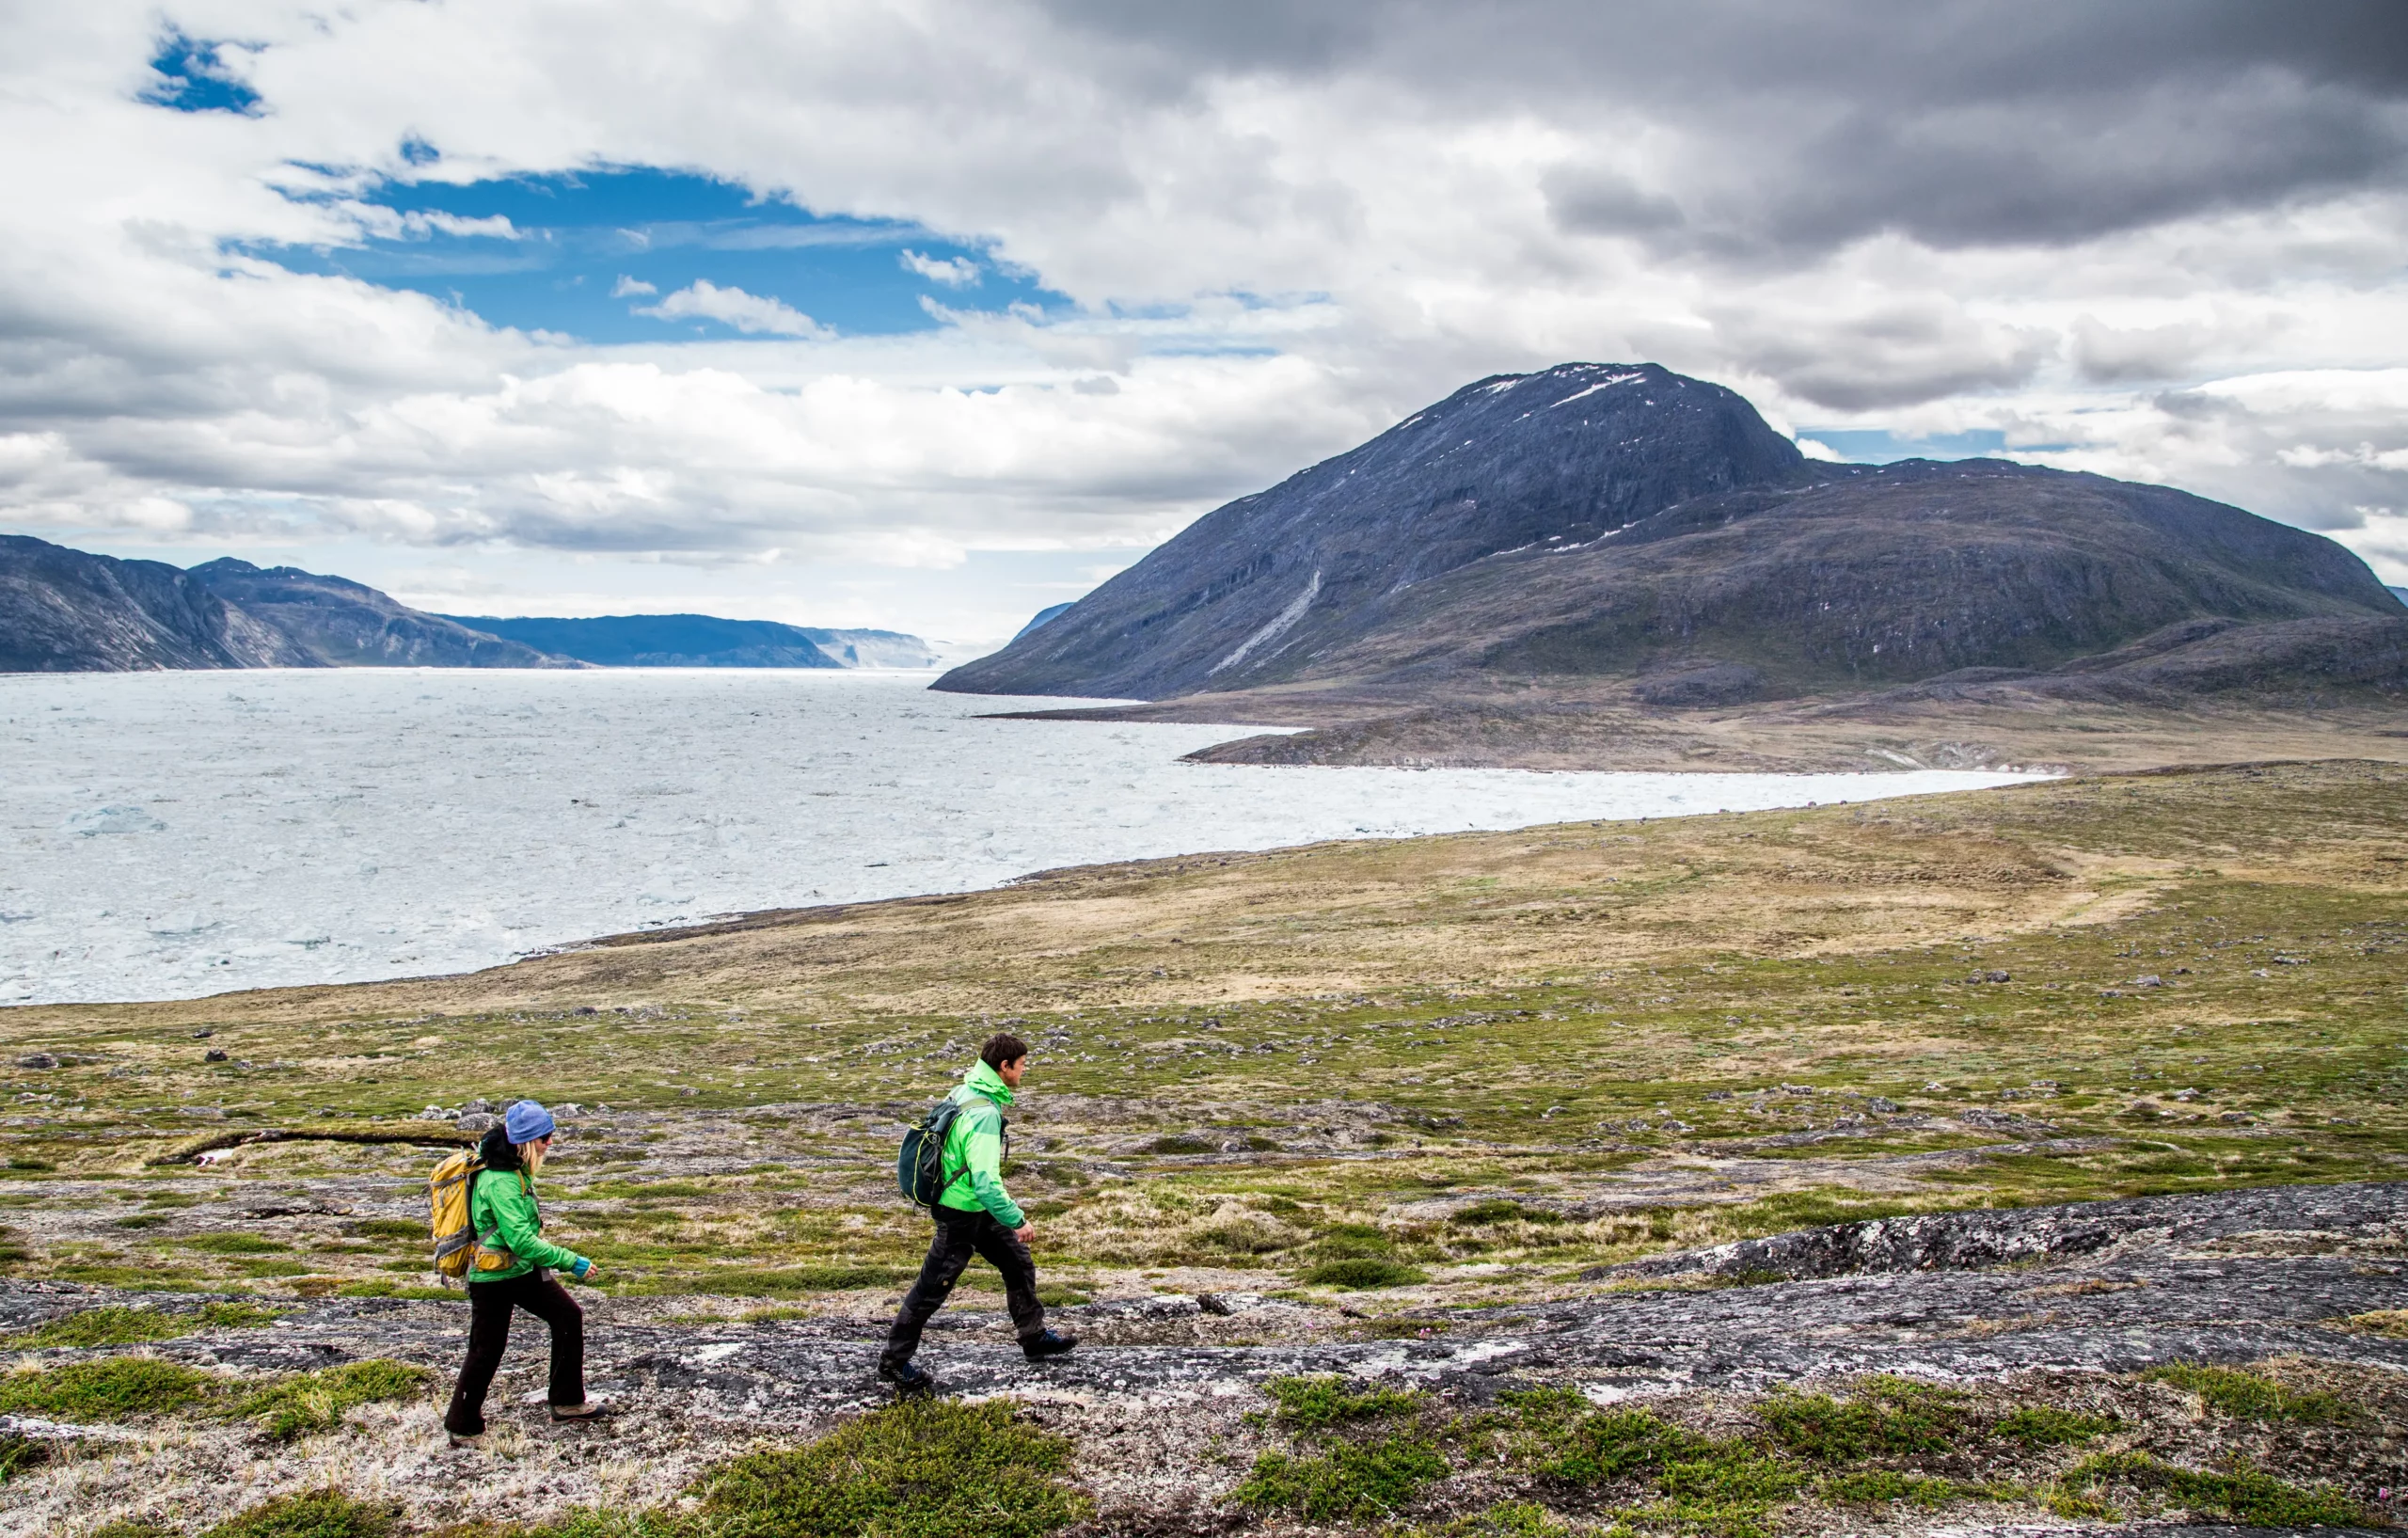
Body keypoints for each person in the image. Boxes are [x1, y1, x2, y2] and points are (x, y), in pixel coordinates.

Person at [879, 1032, 1075, 1395]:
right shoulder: (984, 1112)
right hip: (960, 1214)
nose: (1023, 1072)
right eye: (1021, 1066)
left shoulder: (967, 1089)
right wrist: (1017, 1219)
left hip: (974, 1208)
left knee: (1018, 1263)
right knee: (930, 1290)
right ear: (1004, 1067)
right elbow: (986, 1182)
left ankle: (1033, 1337)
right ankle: (893, 1363)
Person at [442, 1100, 609, 1447]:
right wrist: (571, 1261)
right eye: (545, 1137)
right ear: (525, 1141)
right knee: (486, 1349)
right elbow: (521, 1240)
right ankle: (462, 1425)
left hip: (520, 1271)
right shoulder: (501, 1180)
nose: (550, 1143)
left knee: (568, 1317)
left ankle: (566, 1403)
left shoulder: (513, 1167)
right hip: (493, 1279)